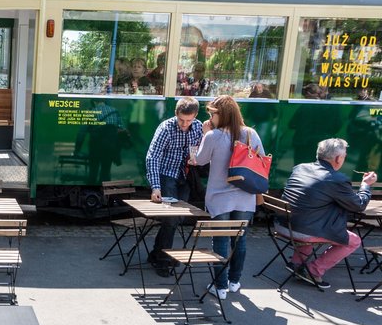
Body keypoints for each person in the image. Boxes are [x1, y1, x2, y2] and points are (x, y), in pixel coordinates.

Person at [192, 95, 265, 299]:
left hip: (220, 198)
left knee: (221, 241)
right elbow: (261, 160)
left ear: (220, 114)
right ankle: (234, 282)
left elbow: (200, 160)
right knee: (239, 241)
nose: (210, 117)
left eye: (212, 113)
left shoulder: (213, 135)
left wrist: (205, 133)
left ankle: (220, 287)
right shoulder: (251, 133)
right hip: (245, 197)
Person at [281, 138, 377, 288]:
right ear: (338, 158)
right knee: (354, 241)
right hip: (303, 231)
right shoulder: (336, 179)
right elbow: (358, 205)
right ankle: (313, 270)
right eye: (344, 156)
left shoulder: (300, 167)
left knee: (309, 215)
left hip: (283, 225)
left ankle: (296, 262)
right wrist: (365, 185)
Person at [145, 96, 203, 275]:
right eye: (181, 120)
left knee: (177, 218)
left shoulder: (199, 127)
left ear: (195, 116)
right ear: (176, 114)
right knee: (170, 218)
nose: (185, 124)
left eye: (189, 120)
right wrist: (156, 186)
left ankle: (156, 253)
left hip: (185, 176)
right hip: (167, 175)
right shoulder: (166, 128)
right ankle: (162, 260)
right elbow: (153, 157)